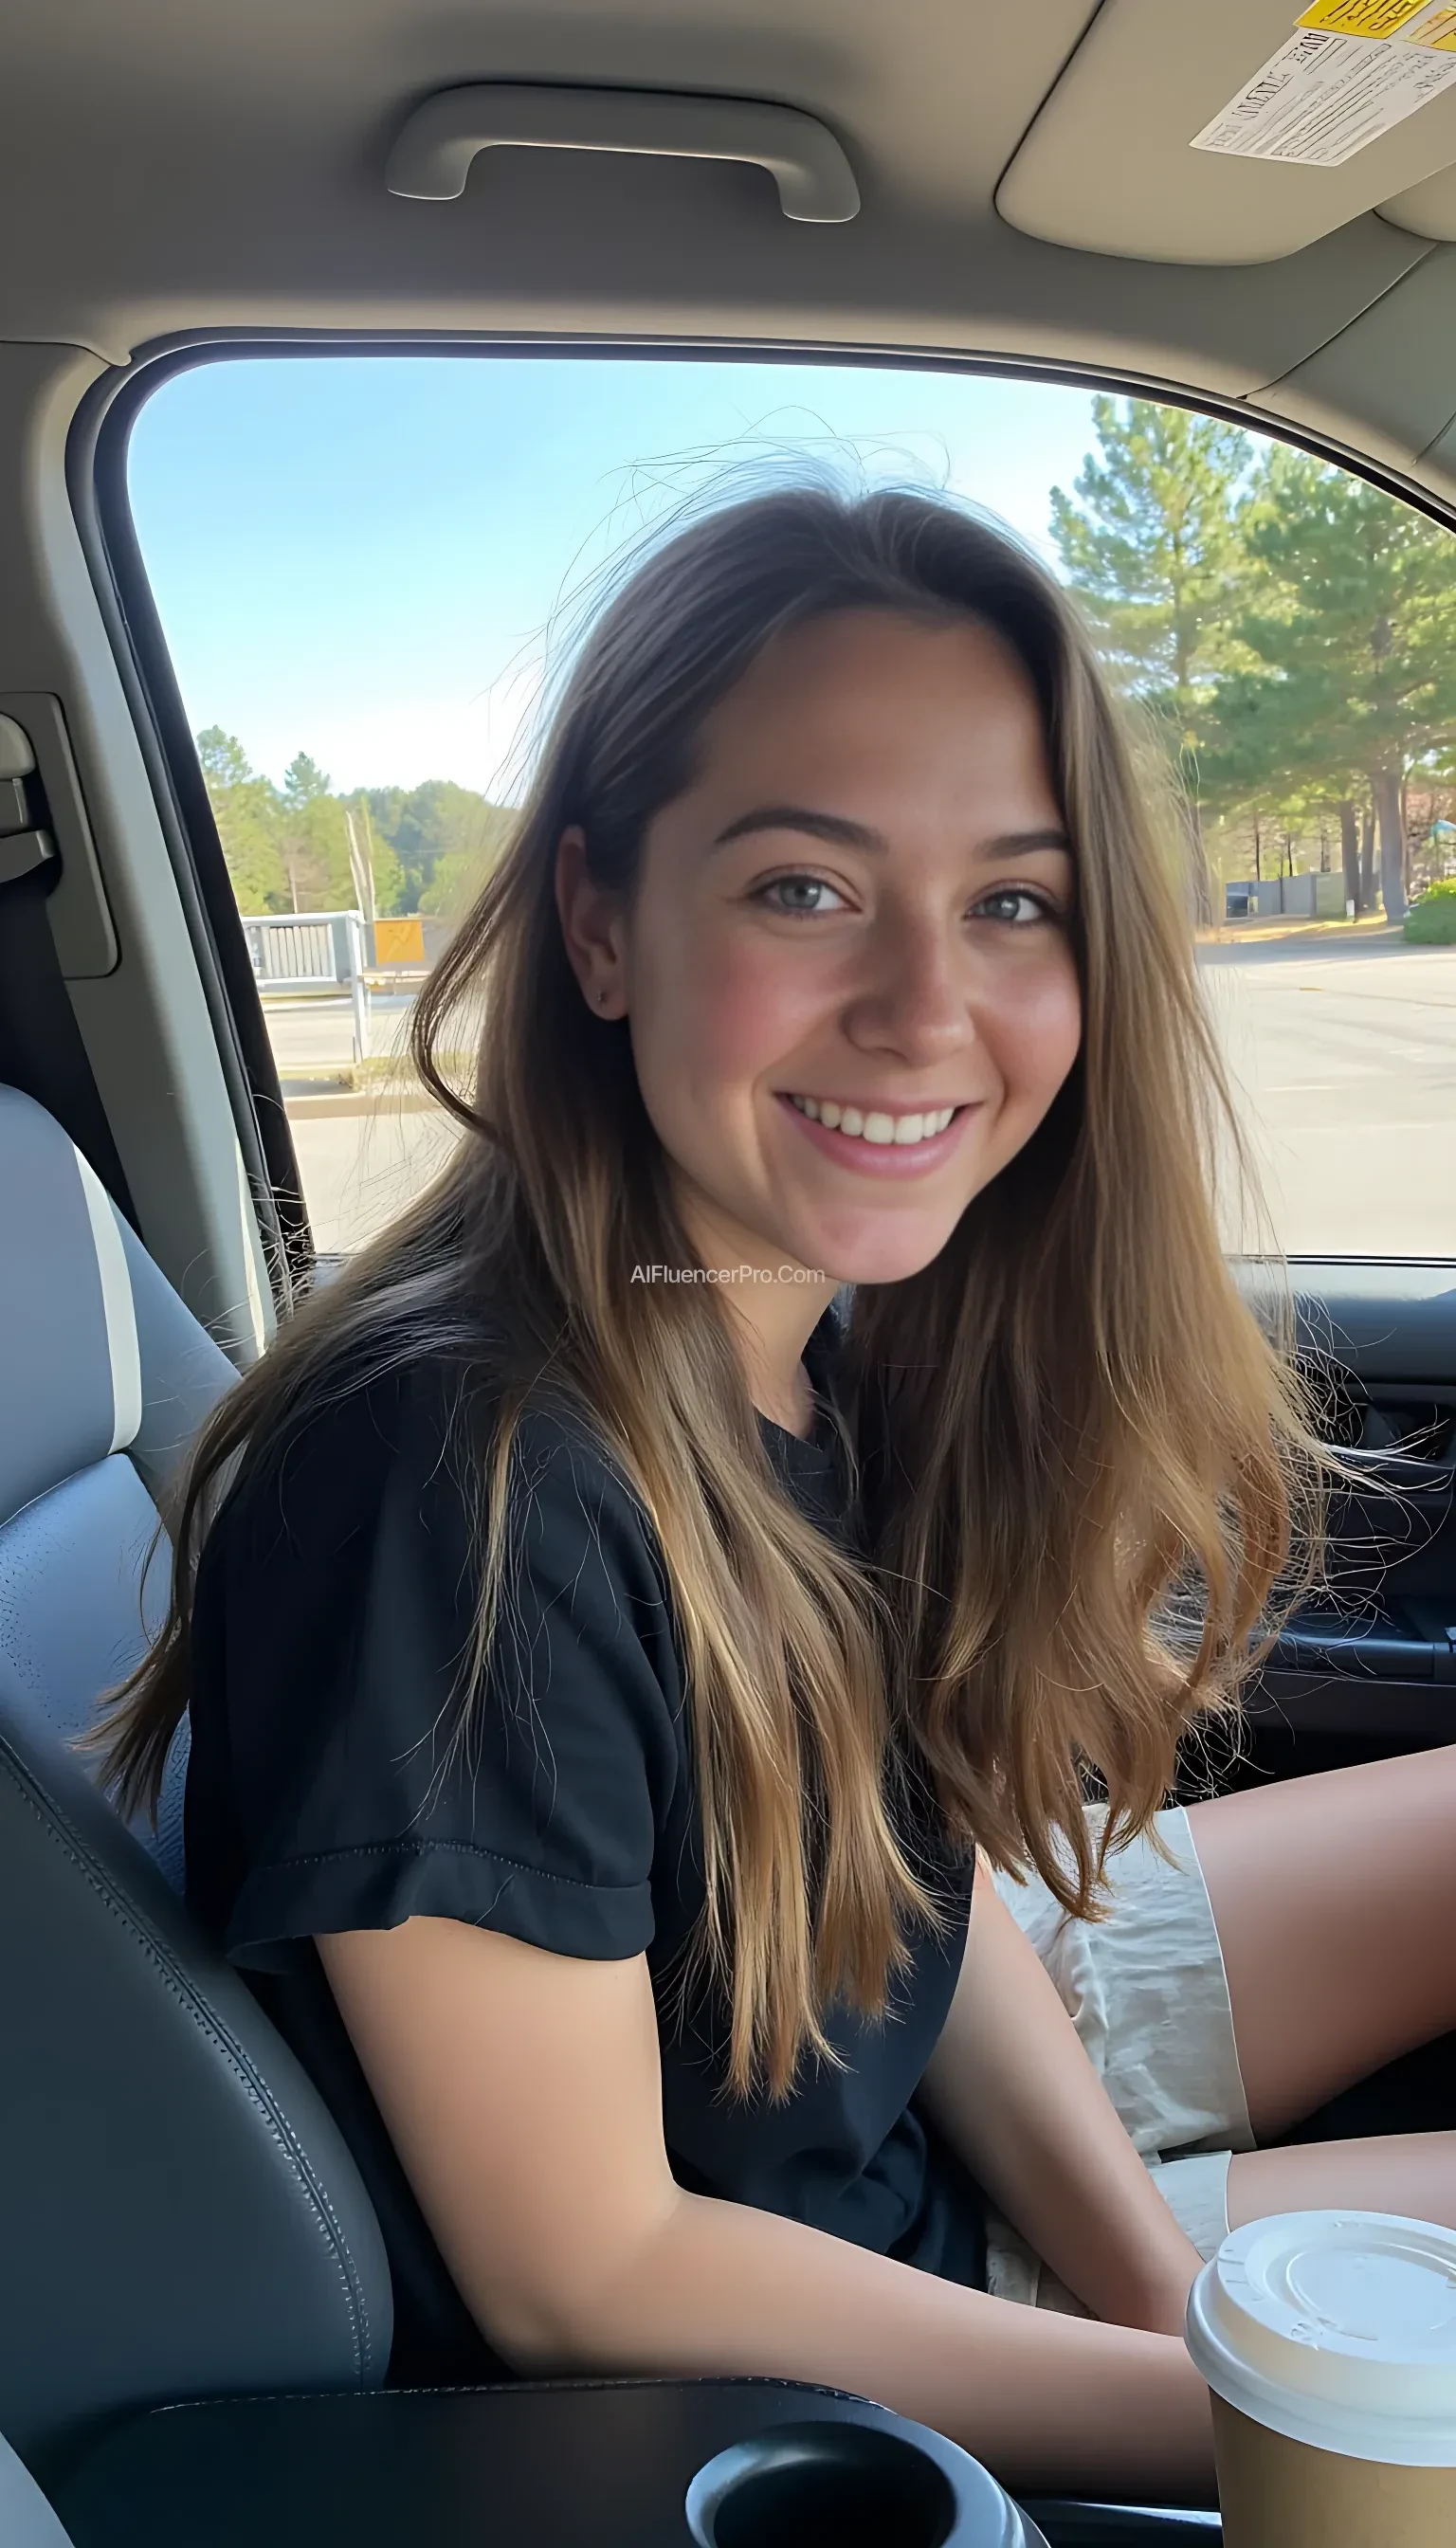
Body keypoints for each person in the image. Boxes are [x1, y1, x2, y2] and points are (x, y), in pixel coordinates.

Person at [92, 484, 1456, 2507]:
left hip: (871, 2055)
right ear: (598, 926)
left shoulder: (792, 1332)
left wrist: (1151, 2275)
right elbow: (592, 2271)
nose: (927, 1007)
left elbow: (921, 1882)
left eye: (1015, 900)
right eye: (806, 889)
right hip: (816, 2298)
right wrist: (1258, 2422)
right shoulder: (456, 1489)